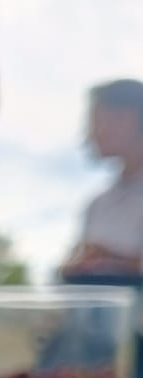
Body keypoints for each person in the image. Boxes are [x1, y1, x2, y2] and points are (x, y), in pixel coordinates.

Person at [60, 79, 143, 280]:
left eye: (95, 121)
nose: (88, 136)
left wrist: (112, 262)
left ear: (126, 119)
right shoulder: (97, 205)